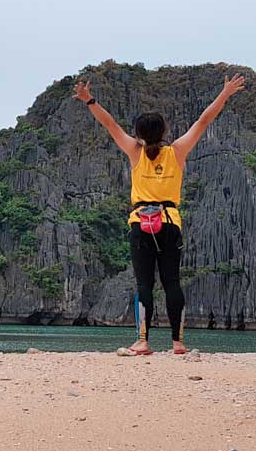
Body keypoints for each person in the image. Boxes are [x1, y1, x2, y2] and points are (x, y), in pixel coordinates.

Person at [73, 73, 246, 355]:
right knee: (172, 282)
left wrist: (89, 100)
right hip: (169, 223)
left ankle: (142, 342)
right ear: (165, 131)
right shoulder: (177, 151)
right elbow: (203, 120)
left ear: (139, 134)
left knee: (144, 283)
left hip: (140, 224)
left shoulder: (134, 151)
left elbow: (110, 124)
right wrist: (225, 93)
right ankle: (178, 343)